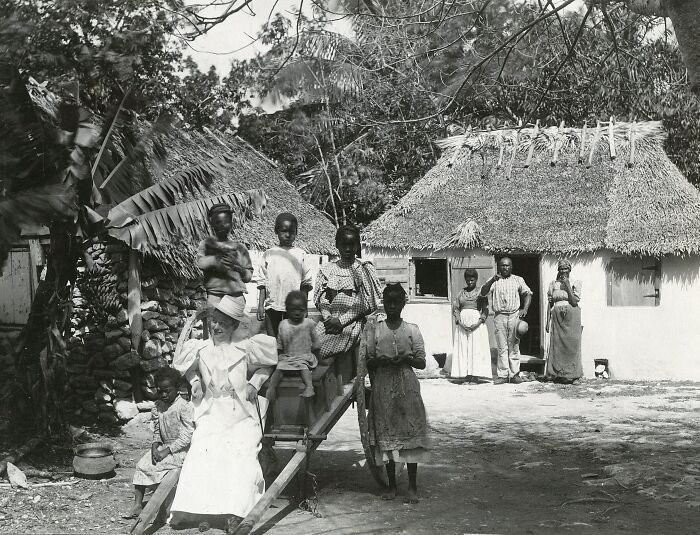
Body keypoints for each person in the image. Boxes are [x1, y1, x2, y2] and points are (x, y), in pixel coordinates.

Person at [170, 295, 278, 533]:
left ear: (234, 326)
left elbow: (267, 365)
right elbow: (188, 369)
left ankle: (234, 512)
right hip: (212, 411)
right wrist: (196, 381)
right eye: (214, 322)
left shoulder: (246, 348)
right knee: (202, 449)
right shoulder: (202, 349)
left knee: (239, 453)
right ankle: (200, 510)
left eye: (223, 323)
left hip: (240, 414)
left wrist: (255, 384)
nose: (216, 327)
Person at [366, 283, 429, 504]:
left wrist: (406, 358)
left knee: (409, 436)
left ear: (403, 303)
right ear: (383, 302)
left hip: (407, 386)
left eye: (396, 302)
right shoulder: (375, 329)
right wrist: (378, 361)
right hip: (383, 386)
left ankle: (412, 486)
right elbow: (368, 360)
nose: (392, 306)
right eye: (388, 301)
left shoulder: (412, 329)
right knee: (388, 437)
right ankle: (392, 486)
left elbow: (421, 362)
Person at [127, 368, 193, 519]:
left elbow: (188, 434)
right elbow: (157, 430)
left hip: (180, 450)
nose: (163, 394)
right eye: (160, 391)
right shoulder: (157, 406)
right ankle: (137, 504)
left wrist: (168, 450)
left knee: (159, 469)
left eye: (167, 391)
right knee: (142, 464)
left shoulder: (183, 406)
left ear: (177, 389)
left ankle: (163, 507)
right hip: (163, 447)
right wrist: (155, 445)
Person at [314, 225, 381, 359]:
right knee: (310, 344)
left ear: (358, 246)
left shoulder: (364, 269)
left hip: (353, 323)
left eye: (352, 244)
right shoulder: (328, 270)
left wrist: (341, 321)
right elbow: (322, 300)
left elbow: (368, 303)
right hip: (329, 321)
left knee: (325, 349)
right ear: (337, 245)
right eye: (344, 244)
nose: (348, 249)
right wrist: (328, 318)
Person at [255, 212, 313, 337]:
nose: (288, 235)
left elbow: (305, 284)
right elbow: (262, 282)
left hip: (294, 308)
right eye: (284, 231)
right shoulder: (269, 254)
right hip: (272, 306)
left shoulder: (301, 255)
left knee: (292, 340)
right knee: (272, 339)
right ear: (276, 231)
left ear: (296, 232)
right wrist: (260, 306)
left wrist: (305, 307)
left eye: (292, 231)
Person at [479, 257, 532, 384]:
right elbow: (483, 292)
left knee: (514, 345)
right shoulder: (494, 280)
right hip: (499, 316)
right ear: (499, 267)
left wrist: (524, 309)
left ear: (511, 267)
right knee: (502, 347)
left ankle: (514, 374)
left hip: (514, 315)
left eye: (507, 265)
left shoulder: (518, 279)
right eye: (502, 265)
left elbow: (528, 293)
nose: (505, 268)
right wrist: (492, 279)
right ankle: (503, 375)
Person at [197, 203, 254, 307]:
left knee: (231, 323)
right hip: (215, 296)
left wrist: (238, 267)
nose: (222, 226)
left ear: (231, 224)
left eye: (226, 222)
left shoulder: (240, 248)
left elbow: (248, 277)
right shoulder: (206, 244)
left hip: (236, 297)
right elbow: (200, 263)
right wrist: (216, 259)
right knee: (213, 323)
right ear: (212, 224)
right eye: (218, 222)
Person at [267, 291, 321, 400]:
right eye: (293, 310)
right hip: (288, 357)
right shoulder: (283, 324)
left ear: (305, 311)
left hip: (304, 356)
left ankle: (309, 387)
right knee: (279, 368)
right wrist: (279, 355)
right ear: (287, 310)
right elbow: (280, 344)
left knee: (303, 367)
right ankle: (271, 388)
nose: (297, 313)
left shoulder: (308, 323)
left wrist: (316, 353)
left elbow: (316, 343)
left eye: (300, 310)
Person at [451, 268, 492, 383]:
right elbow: (456, 309)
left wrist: (477, 323)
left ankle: (475, 376)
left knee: (475, 349)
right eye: (468, 280)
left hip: (476, 324)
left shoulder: (481, 292)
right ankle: (466, 375)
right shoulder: (461, 293)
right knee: (464, 348)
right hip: (463, 324)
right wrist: (460, 322)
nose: (470, 282)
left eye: (472, 280)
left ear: (476, 279)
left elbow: (485, 310)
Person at [545, 259, 583, 384]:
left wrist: (567, 285)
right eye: (561, 269)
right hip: (556, 316)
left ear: (570, 270)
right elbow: (550, 303)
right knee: (557, 346)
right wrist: (547, 321)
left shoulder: (575, 282)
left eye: (566, 269)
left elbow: (574, 301)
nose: (563, 271)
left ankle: (574, 375)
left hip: (571, 316)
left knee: (572, 345)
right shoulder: (553, 284)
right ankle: (555, 374)